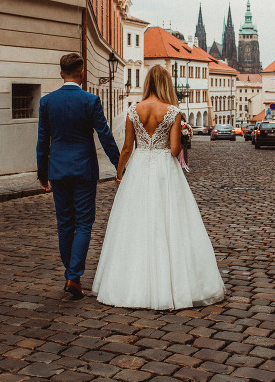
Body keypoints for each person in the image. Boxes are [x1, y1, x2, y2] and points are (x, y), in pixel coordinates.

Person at [92, 65, 225, 309]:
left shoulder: (134, 110)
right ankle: (173, 284)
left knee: (134, 223)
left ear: (147, 83)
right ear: (166, 83)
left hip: (139, 169)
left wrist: (120, 172)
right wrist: (180, 140)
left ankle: (131, 286)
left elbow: (127, 148)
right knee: (170, 221)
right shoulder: (172, 111)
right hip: (165, 170)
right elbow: (174, 150)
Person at [36, 53, 120, 299]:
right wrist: (119, 165)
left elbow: (43, 141)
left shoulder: (47, 102)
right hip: (84, 170)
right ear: (82, 73)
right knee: (84, 223)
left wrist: (43, 173)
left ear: (61, 73)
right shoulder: (90, 100)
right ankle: (73, 276)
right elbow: (104, 135)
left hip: (58, 170)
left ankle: (71, 273)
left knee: (65, 223)